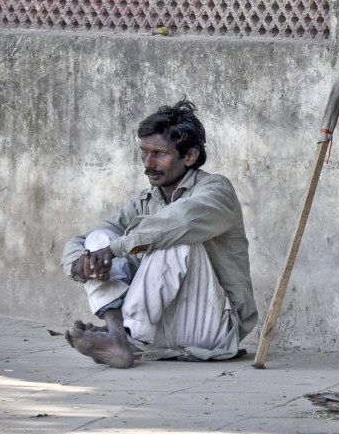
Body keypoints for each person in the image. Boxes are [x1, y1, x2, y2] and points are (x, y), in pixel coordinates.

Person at [60, 99, 257, 368]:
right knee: (97, 241)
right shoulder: (143, 200)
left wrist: (118, 249)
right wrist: (81, 265)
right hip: (160, 326)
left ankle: (125, 336)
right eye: (144, 152)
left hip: (211, 325)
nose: (148, 163)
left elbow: (181, 221)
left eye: (159, 154)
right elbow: (86, 241)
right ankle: (119, 335)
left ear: (189, 156)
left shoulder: (217, 190)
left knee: (172, 237)